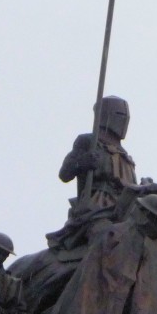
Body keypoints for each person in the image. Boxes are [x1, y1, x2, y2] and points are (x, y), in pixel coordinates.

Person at [46, 96, 137, 251]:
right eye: (119, 115)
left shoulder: (125, 154)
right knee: (106, 239)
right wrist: (83, 162)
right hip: (96, 208)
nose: (123, 120)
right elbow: (64, 174)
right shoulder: (88, 141)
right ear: (106, 115)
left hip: (124, 208)